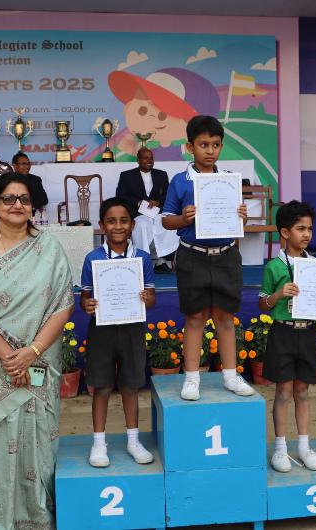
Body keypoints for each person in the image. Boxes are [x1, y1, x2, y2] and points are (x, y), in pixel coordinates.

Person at [0, 172, 74, 529]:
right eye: (8, 198)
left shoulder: (49, 247)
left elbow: (63, 305)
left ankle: (37, 513)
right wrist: (10, 356)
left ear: (33, 206)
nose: (16, 205)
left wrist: (31, 352)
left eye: (24, 199)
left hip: (39, 357)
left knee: (38, 434)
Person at [161, 115, 254, 400]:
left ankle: (230, 376)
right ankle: (191, 378)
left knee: (225, 318)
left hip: (226, 256)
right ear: (190, 147)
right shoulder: (180, 181)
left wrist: (242, 217)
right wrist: (183, 218)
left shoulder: (229, 180)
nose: (210, 150)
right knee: (195, 318)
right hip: (193, 256)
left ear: (221, 146)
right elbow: (166, 221)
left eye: (215, 144)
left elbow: (238, 223)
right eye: (203, 145)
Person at [260, 200, 316, 473]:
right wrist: (278, 294)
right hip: (282, 332)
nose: (306, 234)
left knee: (303, 391)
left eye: (309, 229)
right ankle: (280, 448)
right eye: (300, 228)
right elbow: (262, 303)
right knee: (283, 391)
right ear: (285, 232)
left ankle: (305, 447)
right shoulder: (274, 267)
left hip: (308, 333)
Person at [80, 197, 157, 468]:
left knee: (130, 385)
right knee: (101, 386)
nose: (118, 226)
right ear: (102, 225)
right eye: (111, 221)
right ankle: (99, 443)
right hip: (101, 330)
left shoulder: (142, 258)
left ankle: (133, 440)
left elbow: (151, 299)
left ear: (132, 224)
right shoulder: (93, 259)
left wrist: (147, 297)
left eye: (124, 221)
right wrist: (87, 304)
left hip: (132, 329)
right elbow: (85, 298)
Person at [115, 148, 179, 272]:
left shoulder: (162, 174)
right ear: (138, 160)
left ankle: (161, 260)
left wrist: (158, 202)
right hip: (138, 213)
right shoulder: (126, 175)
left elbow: (168, 195)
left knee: (168, 225)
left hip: (157, 212)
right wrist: (139, 202)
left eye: (151, 158)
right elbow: (120, 196)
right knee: (142, 226)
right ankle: (143, 261)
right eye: (145, 158)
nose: (149, 161)